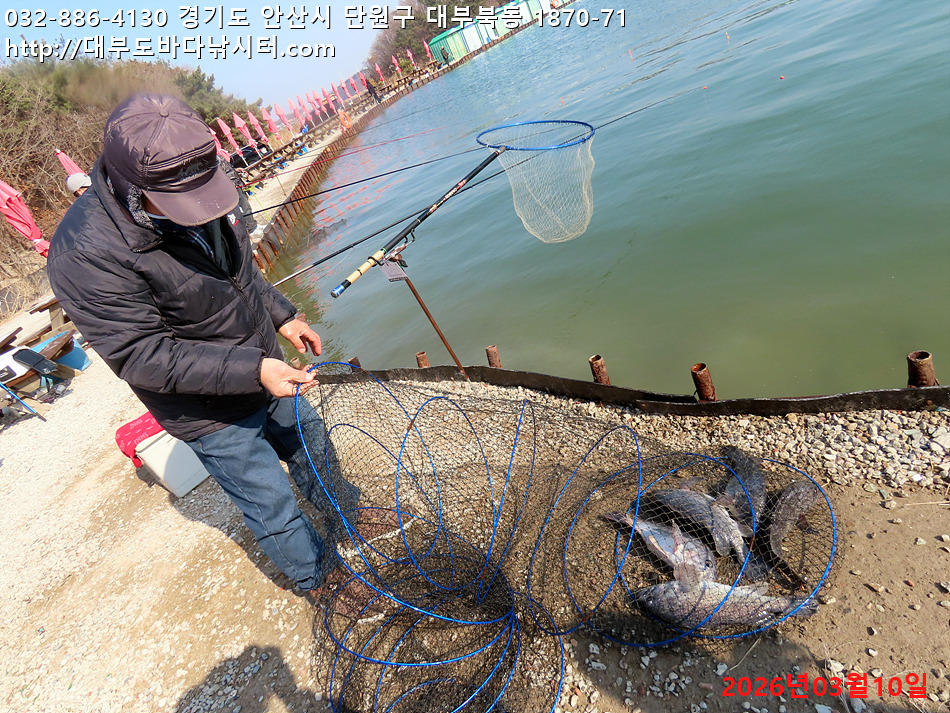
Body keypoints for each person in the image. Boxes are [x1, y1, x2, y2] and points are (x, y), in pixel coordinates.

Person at [47, 94, 348, 597]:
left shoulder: (209, 188)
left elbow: (241, 273)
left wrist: (283, 316)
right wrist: (254, 370)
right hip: (205, 408)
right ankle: (319, 579)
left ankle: (350, 513)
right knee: (269, 499)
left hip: (264, 365)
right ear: (131, 189)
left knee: (312, 446)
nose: (198, 209)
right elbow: (141, 354)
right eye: (180, 201)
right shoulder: (81, 252)